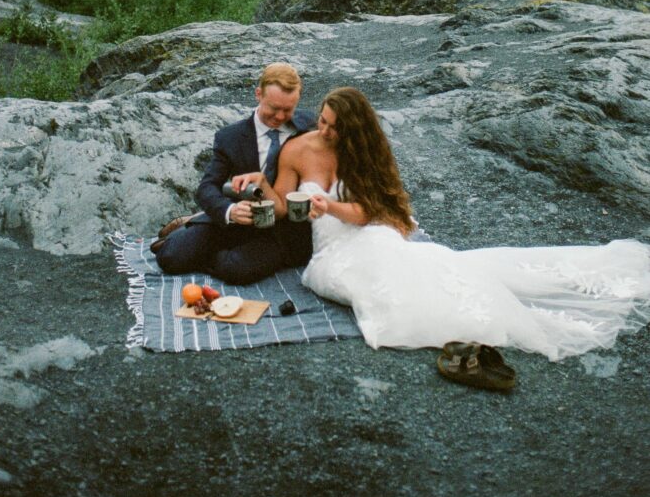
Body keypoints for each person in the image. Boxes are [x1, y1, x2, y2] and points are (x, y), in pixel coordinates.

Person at [266, 86, 650, 361]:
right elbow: (282, 205)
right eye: (323, 121)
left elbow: (369, 212)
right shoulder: (298, 148)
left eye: (336, 127)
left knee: (392, 254)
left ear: (353, 131)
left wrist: (329, 207)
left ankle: (457, 309)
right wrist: (260, 187)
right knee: (376, 281)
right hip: (332, 251)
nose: (327, 131)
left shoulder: (361, 153)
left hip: (368, 230)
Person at [153, 63, 316, 284]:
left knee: (235, 270)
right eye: (273, 108)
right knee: (170, 259)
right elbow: (207, 188)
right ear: (258, 94)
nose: (279, 117)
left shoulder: (310, 127)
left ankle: (200, 229)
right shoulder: (229, 137)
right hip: (237, 219)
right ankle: (193, 230)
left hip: (281, 229)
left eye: (288, 110)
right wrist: (229, 211)